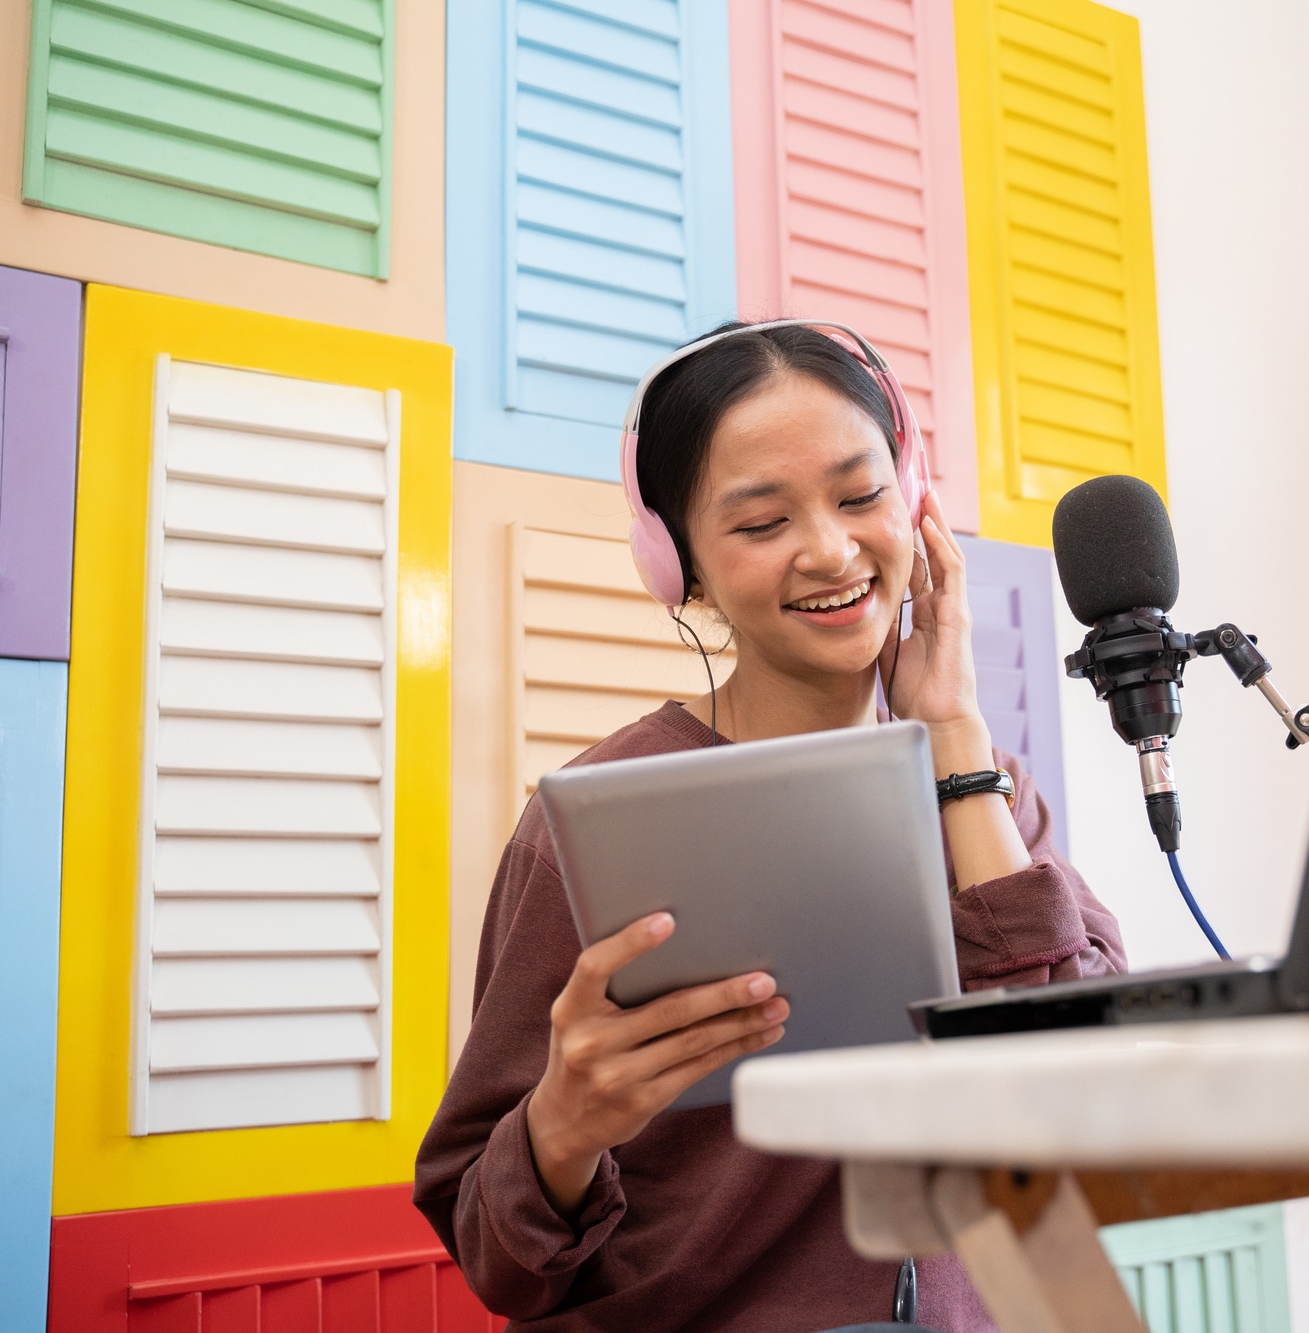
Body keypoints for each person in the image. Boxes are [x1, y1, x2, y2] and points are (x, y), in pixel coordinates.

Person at [414, 321, 1126, 1331]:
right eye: (759, 523)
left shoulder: (982, 788)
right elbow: (494, 1255)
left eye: (859, 494)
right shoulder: (585, 822)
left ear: (913, 498)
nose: (831, 549)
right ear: (679, 565)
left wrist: (956, 740)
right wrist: (560, 1129)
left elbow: (1084, 1092)